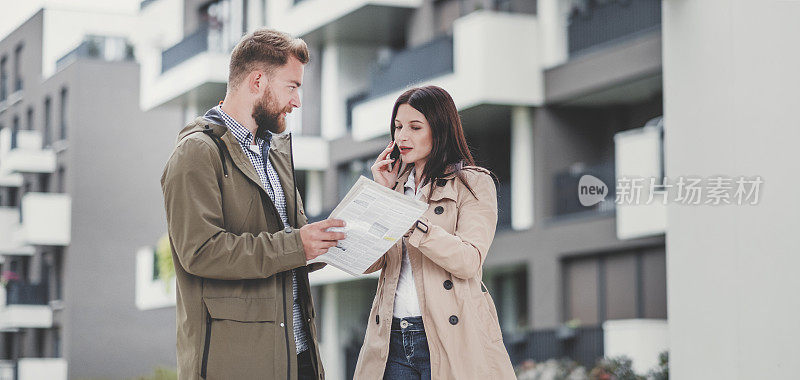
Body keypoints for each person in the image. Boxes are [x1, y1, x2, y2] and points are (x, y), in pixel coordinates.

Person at [161, 28, 345, 380]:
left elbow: (296, 243)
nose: (297, 101)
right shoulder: (196, 152)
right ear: (258, 80)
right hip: (239, 364)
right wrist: (297, 244)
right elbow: (200, 251)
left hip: (298, 354)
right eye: (292, 86)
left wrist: (339, 237)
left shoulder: (274, 153)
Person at [353, 86, 516, 379]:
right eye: (398, 127)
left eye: (415, 127)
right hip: (391, 338)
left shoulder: (474, 184)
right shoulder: (393, 186)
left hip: (450, 336)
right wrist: (381, 194)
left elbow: (469, 260)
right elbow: (366, 263)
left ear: (440, 130)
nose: (402, 137)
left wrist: (413, 224)